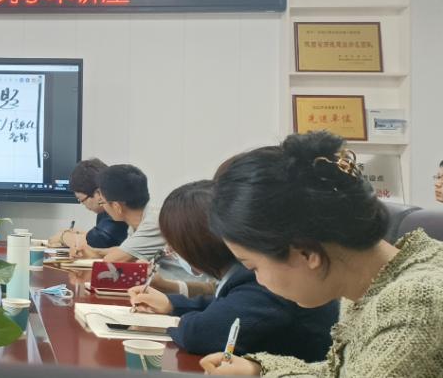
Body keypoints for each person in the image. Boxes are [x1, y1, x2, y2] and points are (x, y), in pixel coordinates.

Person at [200, 131, 443, 377]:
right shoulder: (364, 284)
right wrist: (257, 370)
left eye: (253, 267)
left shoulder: (416, 304)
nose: (259, 281)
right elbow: (345, 371)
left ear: (306, 253)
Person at [128, 180, 337, 359]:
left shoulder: (266, 278)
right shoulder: (244, 274)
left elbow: (201, 333)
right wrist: (171, 304)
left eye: (174, 244)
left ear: (198, 246)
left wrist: (169, 321)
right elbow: (226, 306)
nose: (170, 250)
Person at [72, 164, 166, 261]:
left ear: (116, 207)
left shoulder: (153, 223)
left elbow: (112, 260)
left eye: (102, 202)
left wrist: (91, 252)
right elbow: (123, 250)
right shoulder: (138, 220)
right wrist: (92, 251)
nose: (103, 207)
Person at [47, 158, 128, 249]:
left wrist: (63, 236)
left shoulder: (117, 207)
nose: (83, 205)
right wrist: (78, 234)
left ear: (98, 193)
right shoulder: (104, 210)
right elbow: (104, 238)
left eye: (82, 200)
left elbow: (98, 241)